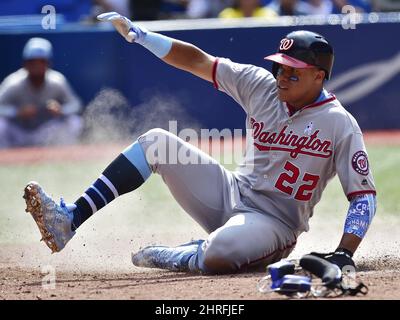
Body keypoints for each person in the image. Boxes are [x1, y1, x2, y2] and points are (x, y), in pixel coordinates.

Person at [23, 12, 377, 274]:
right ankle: (69, 219)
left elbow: (362, 197)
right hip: (232, 192)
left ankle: (184, 255)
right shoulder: (260, 85)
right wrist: (142, 35)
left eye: (292, 71)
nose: (282, 76)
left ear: (319, 76)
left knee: (218, 255)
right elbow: (198, 61)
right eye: (279, 68)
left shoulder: (339, 124)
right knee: (156, 142)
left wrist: (345, 252)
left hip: (273, 224)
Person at [0, 38, 83, 148]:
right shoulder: (14, 82)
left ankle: (63, 158)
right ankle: (6, 160)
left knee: (74, 122)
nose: (37, 66)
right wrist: (17, 112)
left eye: (41, 62)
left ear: (48, 64)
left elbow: (76, 104)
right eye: (32, 62)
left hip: (45, 134)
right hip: (18, 133)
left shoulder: (57, 81)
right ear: (25, 64)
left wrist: (61, 110)